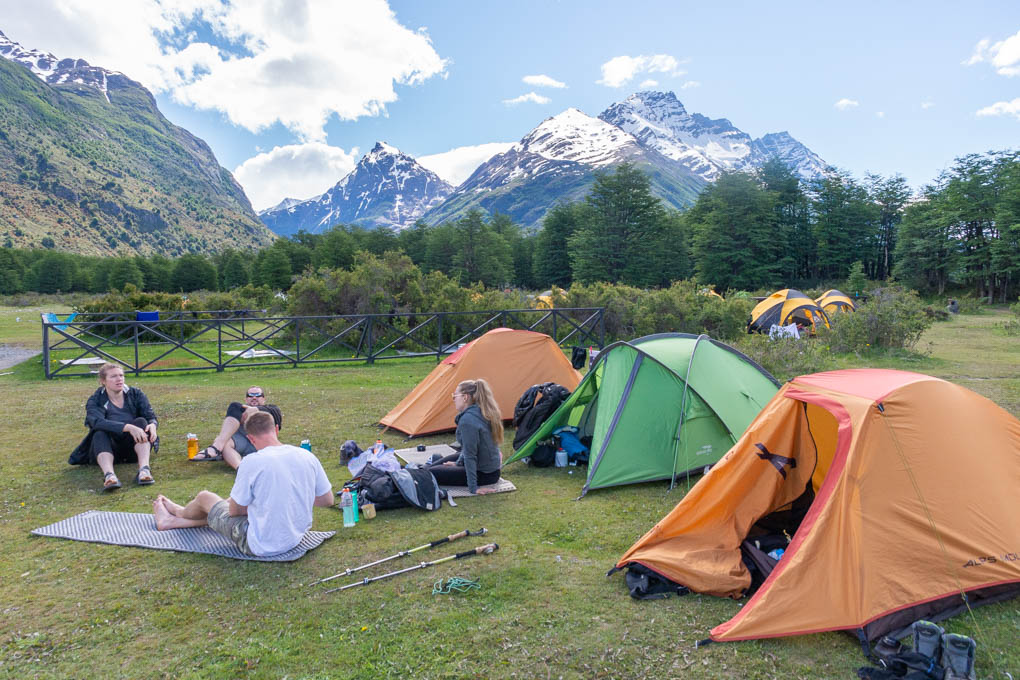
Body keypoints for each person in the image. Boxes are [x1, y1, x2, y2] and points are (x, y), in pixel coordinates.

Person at [153, 411, 334, 557]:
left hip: (260, 545)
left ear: (250, 439)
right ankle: (176, 520)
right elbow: (327, 499)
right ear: (276, 429)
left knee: (205, 498)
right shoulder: (306, 455)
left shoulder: (252, 461)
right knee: (234, 502)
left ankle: (177, 514)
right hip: (295, 537)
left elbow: (234, 512)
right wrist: (291, 499)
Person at [69, 362, 158, 491]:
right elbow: (96, 422)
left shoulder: (135, 393)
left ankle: (144, 470)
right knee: (99, 432)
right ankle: (109, 475)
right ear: (103, 381)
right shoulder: (96, 400)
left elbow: (150, 416)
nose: (119, 379)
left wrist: (153, 425)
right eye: (113, 376)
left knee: (141, 422)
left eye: (121, 375)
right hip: (107, 448)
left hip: (133, 448)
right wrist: (128, 427)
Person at [426, 378, 503, 495]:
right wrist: (457, 463)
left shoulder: (468, 420)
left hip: (484, 474)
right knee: (433, 467)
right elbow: (469, 448)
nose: (454, 399)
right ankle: (420, 469)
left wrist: (474, 488)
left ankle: (414, 472)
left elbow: (470, 456)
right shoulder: (482, 411)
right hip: (490, 468)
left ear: (465, 397)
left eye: (455, 396)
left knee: (429, 473)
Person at [191, 385, 282, 470]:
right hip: (241, 442)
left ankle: (215, 449)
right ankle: (240, 468)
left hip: (262, 444)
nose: (254, 397)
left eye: (258, 395)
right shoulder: (238, 411)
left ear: (264, 399)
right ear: (246, 399)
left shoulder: (272, 409)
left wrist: (256, 410)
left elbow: (276, 414)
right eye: (250, 395)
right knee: (224, 442)